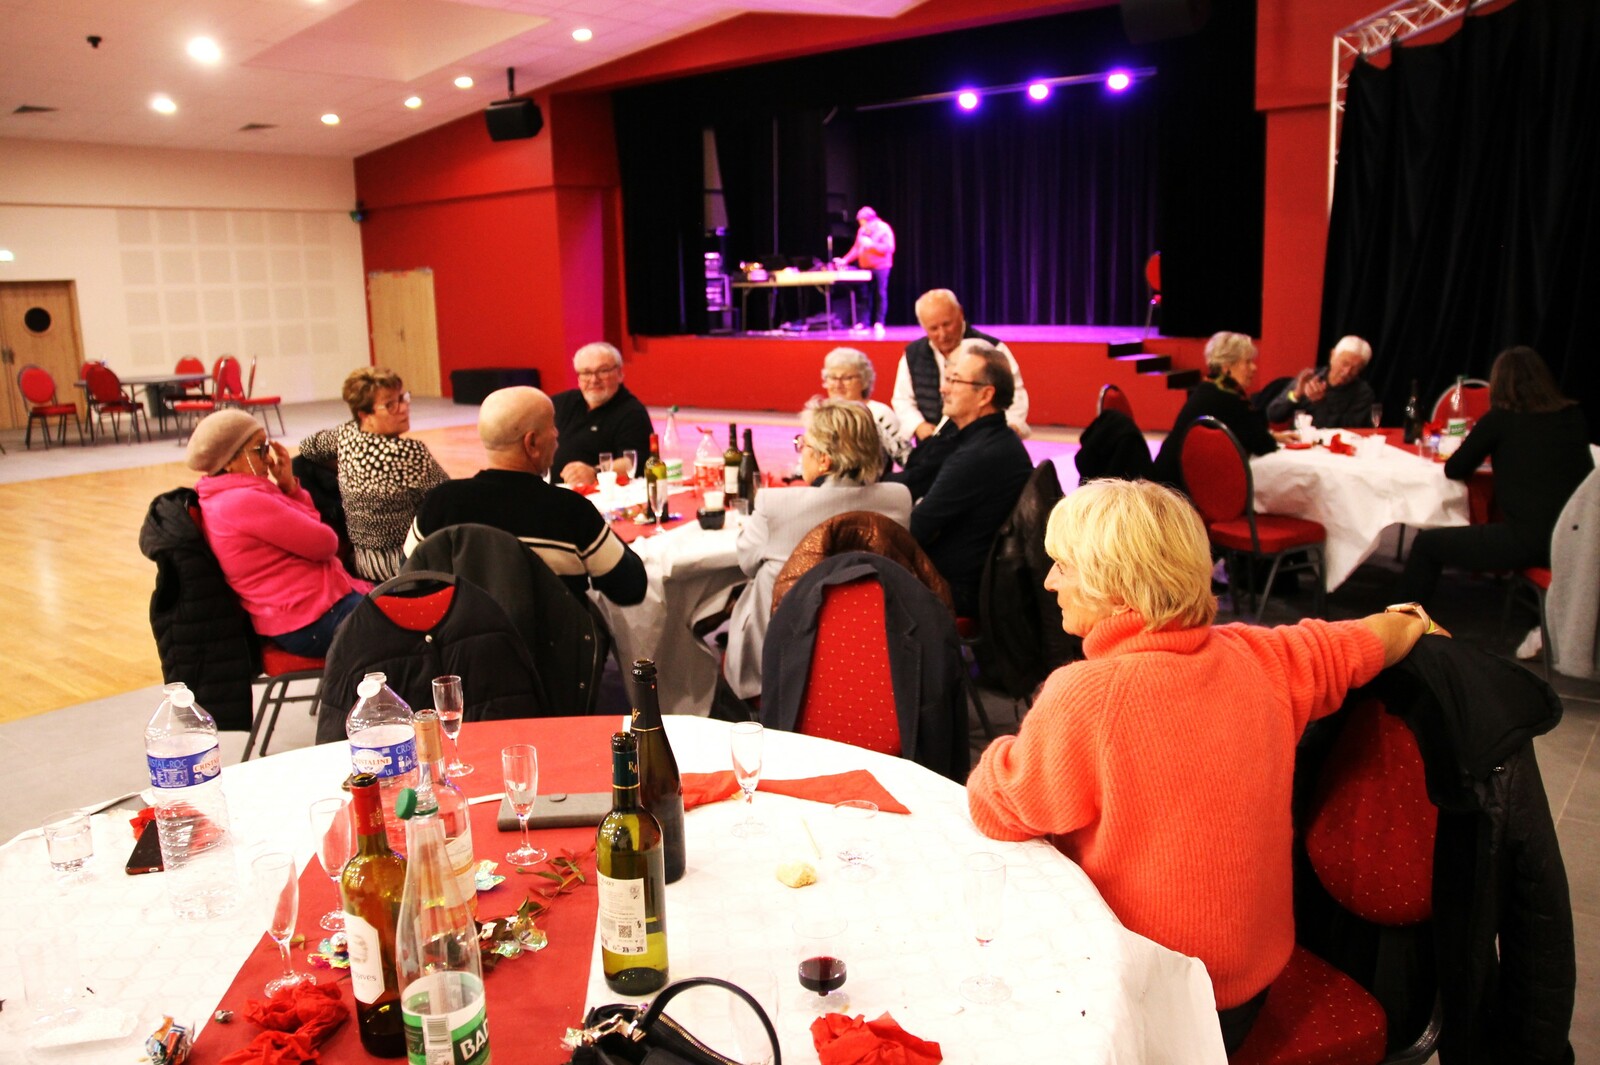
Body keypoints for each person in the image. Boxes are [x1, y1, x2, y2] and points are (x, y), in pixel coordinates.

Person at [966, 479, 1435, 1052]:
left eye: (1063, 565)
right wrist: (1412, 619)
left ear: (1118, 587)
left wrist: (1006, 748)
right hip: (1251, 981)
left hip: (1152, 996)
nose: (1049, 582)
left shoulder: (1087, 695)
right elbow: (1359, 644)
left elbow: (997, 810)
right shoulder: (1261, 655)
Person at [725, 401, 913, 700]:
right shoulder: (898, 499)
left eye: (804, 444)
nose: (801, 451)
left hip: (781, 661)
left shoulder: (774, 505)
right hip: (870, 655)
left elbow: (746, 562)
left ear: (823, 460)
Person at [405, 386, 646, 606]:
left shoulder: (440, 502)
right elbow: (630, 589)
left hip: (460, 640)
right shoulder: (570, 510)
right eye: (552, 427)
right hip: (555, 641)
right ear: (531, 443)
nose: (557, 435)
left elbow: (407, 578)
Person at [1398, 345, 1593, 607]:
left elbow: (1455, 468)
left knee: (1426, 545)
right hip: (1579, 538)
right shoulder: (1573, 416)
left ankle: (1398, 623)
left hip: (1529, 541)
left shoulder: (1500, 419)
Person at [189, 410, 367, 657]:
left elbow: (317, 536)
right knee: (408, 624)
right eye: (259, 450)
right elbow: (325, 544)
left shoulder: (226, 494)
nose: (269, 459)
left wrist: (290, 487)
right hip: (311, 619)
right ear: (229, 461)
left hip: (307, 612)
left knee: (404, 607)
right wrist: (291, 493)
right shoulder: (243, 501)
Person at [897, 343, 1032, 616]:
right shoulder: (989, 440)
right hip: (969, 579)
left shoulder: (979, 455)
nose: (943, 388)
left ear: (985, 395)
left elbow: (916, 528)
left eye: (955, 381)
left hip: (955, 590)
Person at [298, 367, 448, 582]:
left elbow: (306, 448)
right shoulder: (408, 453)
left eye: (402, 398)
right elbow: (447, 498)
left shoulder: (345, 435)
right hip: (404, 566)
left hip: (363, 564)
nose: (404, 408)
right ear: (365, 415)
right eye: (390, 405)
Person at [891, 289, 1030, 444]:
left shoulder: (991, 350)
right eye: (934, 328)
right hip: (932, 444)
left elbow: (1015, 396)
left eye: (947, 324)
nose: (942, 334)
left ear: (960, 314)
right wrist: (918, 425)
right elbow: (902, 399)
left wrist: (1006, 429)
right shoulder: (913, 354)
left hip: (983, 441)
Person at [1151, 331, 1277, 492]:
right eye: (1247, 362)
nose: (1254, 368)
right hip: (1178, 492)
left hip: (1168, 481)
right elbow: (1265, 444)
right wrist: (1272, 437)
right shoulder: (1228, 399)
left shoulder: (1208, 389)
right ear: (1227, 367)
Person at [551, 342, 653, 487]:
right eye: (586, 373)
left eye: (603, 371)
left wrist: (595, 473)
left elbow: (633, 461)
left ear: (619, 374)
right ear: (578, 378)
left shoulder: (632, 412)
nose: (594, 380)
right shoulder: (561, 403)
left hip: (600, 494)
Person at [816, 346, 908, 467]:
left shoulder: (881, 414)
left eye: (847, 378)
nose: (838, 384)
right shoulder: (820, 414)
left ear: (864, 380)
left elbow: (905, 458)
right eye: (832, 378)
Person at [1265, 335, 1378, 428]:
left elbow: (1346, 431)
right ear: (1332, 356)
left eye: (1355, 368)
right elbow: (1273, 415)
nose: (1347, 372)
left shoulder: (1363, 393)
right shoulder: (1310, 378)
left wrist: (1321, 403)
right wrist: (1296, 395)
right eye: (1345, 363)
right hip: (1298, 443)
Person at [834, 206, 895, 336]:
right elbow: (856, 248)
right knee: (864, 295)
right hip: (865, 268)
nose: (861, 224)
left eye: (863, 221)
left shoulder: (883, 229)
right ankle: (863, 322)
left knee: (880, 293)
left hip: (881, 267)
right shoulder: (862, 231)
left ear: (871, 220)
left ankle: (879, 322)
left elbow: (889, 248)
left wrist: (872, 245)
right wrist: (845, 260)